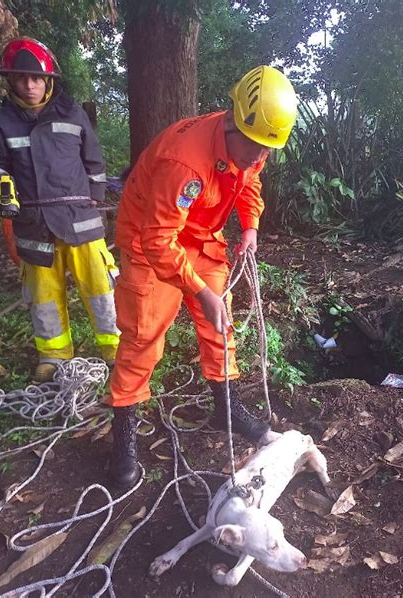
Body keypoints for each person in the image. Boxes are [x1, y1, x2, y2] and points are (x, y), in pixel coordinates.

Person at [107, 65, 297, 488]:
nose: (259, 157)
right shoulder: (185, 162)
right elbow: (158, 239)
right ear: (234, 121)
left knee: (220, 326)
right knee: (143, 336)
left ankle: (225, 409)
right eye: (254, 148)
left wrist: (249, 225)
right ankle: (121, 439)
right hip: (147, 241)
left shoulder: (250, 143)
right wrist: (196, 289)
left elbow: (249, 182)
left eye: (267, 150)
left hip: (198, 236)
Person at [0, 37, 119, 382]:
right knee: (44, 297)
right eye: (21, 78)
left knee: (100, 288)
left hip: (80, 221)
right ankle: (53, 357)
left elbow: (94, 162)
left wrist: (94, 199)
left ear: (48, 80)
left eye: (36, 78)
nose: (30, 85)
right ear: (11, 80)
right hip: (33, 225)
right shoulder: (2, 122)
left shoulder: (73, 113)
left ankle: (114, 350)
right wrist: (2, 189)